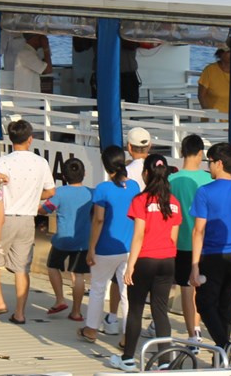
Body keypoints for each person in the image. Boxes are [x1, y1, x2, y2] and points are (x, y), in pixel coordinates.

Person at [0, 118, 55, 324]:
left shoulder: (3, 161)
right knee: (22, 268)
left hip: (5, 217)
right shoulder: (41, 162)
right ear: (30, 139)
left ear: (10, 139)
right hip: (28, 218)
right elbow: (50, 191)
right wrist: (31, 195)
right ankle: (20, 313)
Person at [112, 154, 182, 371]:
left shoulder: (140, 200)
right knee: (160, 311)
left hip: (145, 260)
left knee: (135, 310)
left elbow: (139, 235)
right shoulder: (173, 202)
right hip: (168, 260)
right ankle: (164, 361)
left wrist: (130, 265)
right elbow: (173, 238)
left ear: (146, 174)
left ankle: (128, 359)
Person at [190, 142, 231, 358]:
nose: (208, 167)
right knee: (225, 306)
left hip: (211, 255)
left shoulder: (204, 192)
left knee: (204, 302)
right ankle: (221, 357)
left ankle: (224, 345)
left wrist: (194, 265)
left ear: (219, 163)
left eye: (209, 162)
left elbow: (198, 230)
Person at [79, 145, 139, 344]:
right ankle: (127, 335)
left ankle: (91, 329)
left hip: (105, 247)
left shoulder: (103, 189)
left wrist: (91, 248)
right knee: (127, 292)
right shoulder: (134, 187)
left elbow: (98, 220)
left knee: (98, 287)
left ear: (106, 166)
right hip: (128, 247)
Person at [168, 135, 210, 340]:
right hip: (204, 243)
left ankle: (192, 333)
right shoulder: (209, 180)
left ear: (182, 152)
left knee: (184, 288)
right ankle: (197, 327)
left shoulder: (171, 180)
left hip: (178, 242)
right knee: (198, 287)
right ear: (201, 153)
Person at [41, 157, 93, 320]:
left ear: (63, 176)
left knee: (52, 266)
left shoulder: (60, 192)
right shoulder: (91, 193)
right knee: (78, 276)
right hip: (83, 241)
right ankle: (76, 312)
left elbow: (45, 210)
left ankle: (60, 299)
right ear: (84, 174)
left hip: (62, 239)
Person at [197, 47, 231, 114]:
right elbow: (201, 95)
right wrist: (209, 113)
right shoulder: (210, 70)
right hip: (213, 118)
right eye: (229, 52)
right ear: (221, 54)